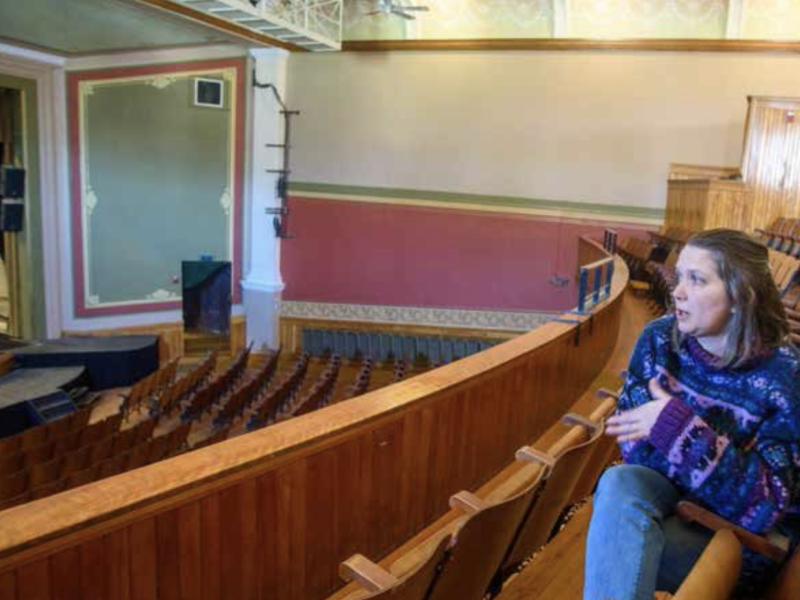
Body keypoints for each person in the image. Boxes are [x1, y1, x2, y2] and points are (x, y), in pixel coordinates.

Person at [583, 228, 800, 600]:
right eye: (680, 275)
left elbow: (765, 508)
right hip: (666, 503)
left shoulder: (784, 376)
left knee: (613, 544)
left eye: (697, 280)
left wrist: (678, 429)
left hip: (737, 541)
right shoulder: (658, 340)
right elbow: (635, 451)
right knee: (620, 482)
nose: (678, 291)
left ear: (741, 296)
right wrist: (688, 446)